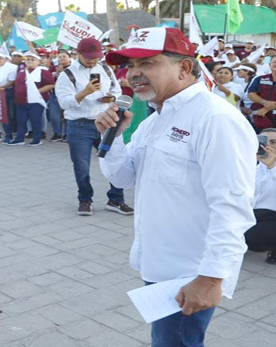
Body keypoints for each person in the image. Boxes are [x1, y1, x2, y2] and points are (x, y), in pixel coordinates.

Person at [97, 27, 257, 347]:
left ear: (184, 67)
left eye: (148, 63)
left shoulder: (215, 118)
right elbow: (124, 178)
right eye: (130, 65)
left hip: (190, 273)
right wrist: (113, 139)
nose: (134, 74)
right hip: (158, 265)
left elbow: (232, 205)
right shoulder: (154, 119)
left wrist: (211, 278)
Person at [54, 38, 132, 216]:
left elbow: (117, 90)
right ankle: (85, 200)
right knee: (81, 166)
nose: (92, 61)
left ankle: (116, 199)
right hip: (79, 125)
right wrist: (85, 92)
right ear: (78, 54)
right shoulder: (67, 75)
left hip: (105, 122)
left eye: (96, 57)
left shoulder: (104, 69)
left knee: (114, 162)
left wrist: (111, 97)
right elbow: (65, 103)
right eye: (88, 57)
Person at [8, 52, 55, 146]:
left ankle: (37, 139)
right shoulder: (21, 71)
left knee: (35, 119)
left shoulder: (43, 71)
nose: (29, 61)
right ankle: (19, 138)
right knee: (21, 120)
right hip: (21, 101)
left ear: (38, 61)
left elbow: (50, 85)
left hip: (36, 100)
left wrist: (36, 91)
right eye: (28, 59)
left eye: (32, 59)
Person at [246, 127, 276, 264]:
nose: (268, 146)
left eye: (274, 142)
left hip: (272, 217)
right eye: (263, 142)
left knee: (253, 239)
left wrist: (272, 168)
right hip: (253, 213)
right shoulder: (252, 166)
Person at [246, 59, 276, 131]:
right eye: (274, 62)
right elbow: (251, 94)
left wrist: (267, 108)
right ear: (269, 65)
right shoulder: (260, 79)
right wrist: (264, 102)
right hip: (260, 118)